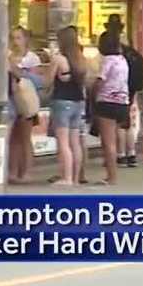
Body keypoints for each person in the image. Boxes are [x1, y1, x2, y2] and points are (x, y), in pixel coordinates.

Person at [102, 15, 143, 168]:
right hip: (131, 90)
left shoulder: (112, 49)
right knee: (129, 123)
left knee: (118, 125)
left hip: (116, 91)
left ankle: (120, 155)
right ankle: (131, 153)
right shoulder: (131, 50)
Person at [48, 26, 87, 186]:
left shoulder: (59, 59)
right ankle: (76, 178)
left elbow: (47, 81)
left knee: (63, 143)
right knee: (75, 142)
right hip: (78, 102)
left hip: (62, 101)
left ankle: (67, 178)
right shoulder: (81, 59)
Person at [93, 32, 132, 185]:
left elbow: (100, 81)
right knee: (114, 139)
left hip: (107, 102)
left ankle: (111, 176)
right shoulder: (123, 60)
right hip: (122, 102)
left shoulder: (107, 61)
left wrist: (92, 92)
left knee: (108, 142)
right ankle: (112, 174)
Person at [7, 27, 44, 184]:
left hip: (26, 99)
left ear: (25, 39)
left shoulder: (31, 58)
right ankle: (13, 171)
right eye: (13, 38)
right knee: (14, 138)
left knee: (24, 138)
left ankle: (27, 171)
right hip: (11, 99)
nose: (15, 42)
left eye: (19, 38)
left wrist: (16, 70)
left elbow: (36, 81)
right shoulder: (8, 56)